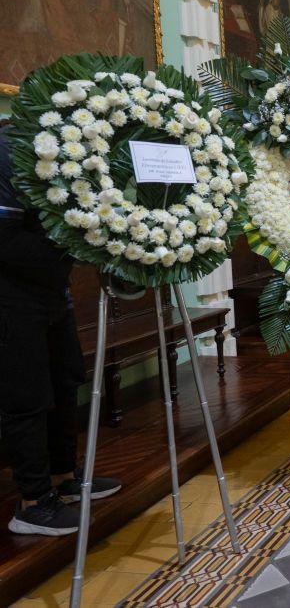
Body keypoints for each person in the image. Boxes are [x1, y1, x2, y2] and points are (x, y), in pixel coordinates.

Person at [0, 128, 121, 536]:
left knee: (66, 378)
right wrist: (76, 242)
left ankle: (61, 478)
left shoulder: (70, 155)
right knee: (27, 395)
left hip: (52, 292)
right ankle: (33, 503)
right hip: (10, 296)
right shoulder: (8, 151)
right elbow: (6, 241)